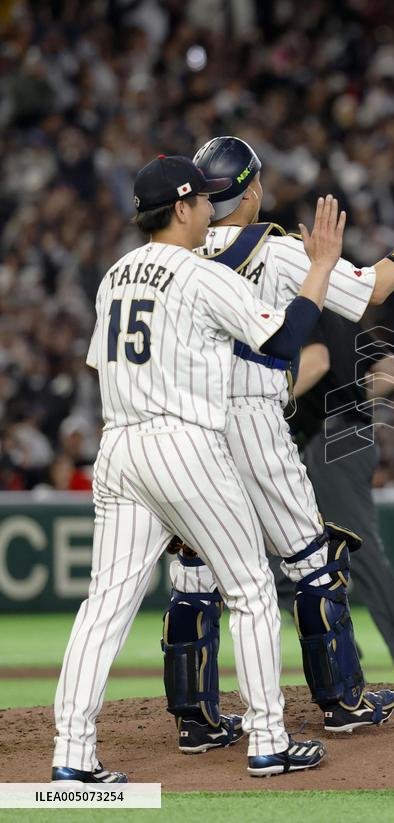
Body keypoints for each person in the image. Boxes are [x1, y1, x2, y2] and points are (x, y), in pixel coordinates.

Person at [158, 137, 394, 747]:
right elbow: (374, 289)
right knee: (312, 561)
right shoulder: (279, 251)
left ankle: (194, 720)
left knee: (195, 567)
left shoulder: (170, 258)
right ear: (254, 189)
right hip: (261, 419)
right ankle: (341, 700)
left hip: (191, 426)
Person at [52, 155, 339, 782]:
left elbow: (101, 366)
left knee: (104, 604)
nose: (211, 208)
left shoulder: (114, 276)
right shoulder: (198, 273)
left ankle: (72, 757)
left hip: (120, 448)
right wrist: (317, 268)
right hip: (183, 443)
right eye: (201, 201)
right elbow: (285, 342)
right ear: (181, 208)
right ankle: (269, 740)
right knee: (253, 590)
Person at [284, 310, 394, 683]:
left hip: (331, 440)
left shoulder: (301, 307)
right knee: (281, 557)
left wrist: (268, 400)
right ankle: (337, 649)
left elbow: (315, 362)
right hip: (341, 438)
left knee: (362, 560)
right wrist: (354, 396)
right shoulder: (338, 314)